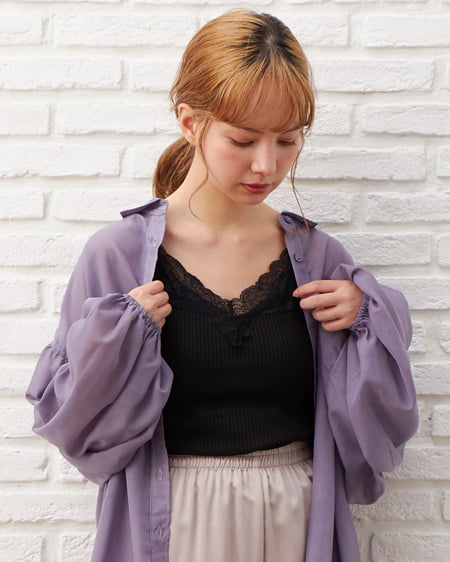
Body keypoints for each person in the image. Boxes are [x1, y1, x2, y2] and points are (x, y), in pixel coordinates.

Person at [26, 9, 418, 562]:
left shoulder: (319, 259)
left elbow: (377, 436)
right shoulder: (118, 258)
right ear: (190, 122)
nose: (266, 165)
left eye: (287, 140)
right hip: (170, 525)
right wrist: (115, 341)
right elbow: (73, 427)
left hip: (296, 520)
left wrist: (369, 319)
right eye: (243, 139)